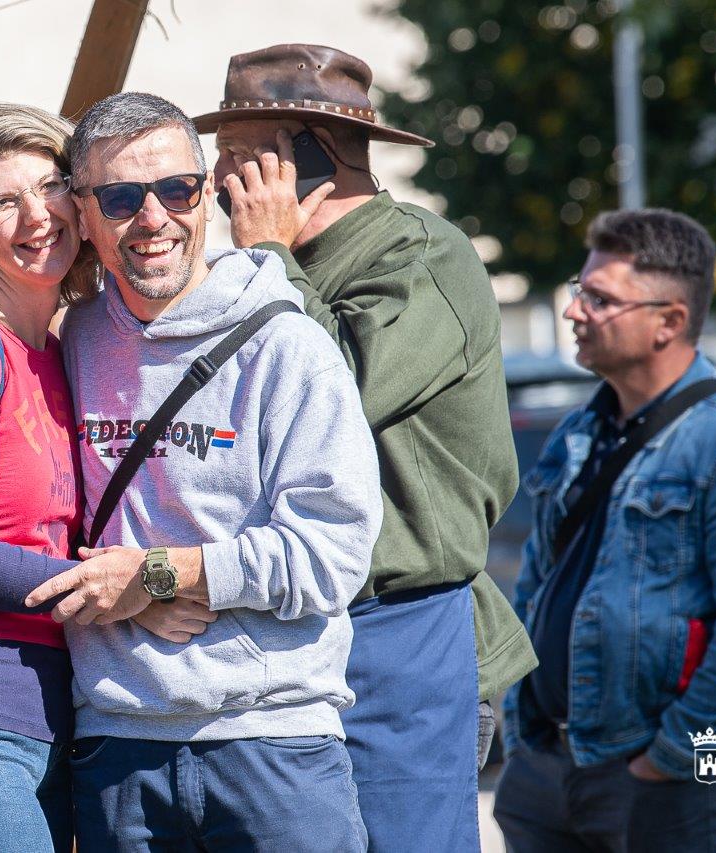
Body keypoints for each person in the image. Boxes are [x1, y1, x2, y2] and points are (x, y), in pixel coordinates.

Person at [195, 43, 537, 851]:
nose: (216, 185)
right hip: (283, 625)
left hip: (400, 628)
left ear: (305, 149)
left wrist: (269, 256)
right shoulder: (258, 267)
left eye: (238, 157)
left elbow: (329, 392)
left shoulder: (423, 255)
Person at [22, 91, 383, 852]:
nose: (152, 217)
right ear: (83, 216)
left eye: (176, 190)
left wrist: (158, 575)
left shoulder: (287, 346)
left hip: (275, 744)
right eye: (121, 197)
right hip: (116, 749)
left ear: (206, 196)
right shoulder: (70, 343)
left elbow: (333, 555)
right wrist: (128, 591)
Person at [0, 103, 212, 853]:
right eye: (4, 201)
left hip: (53, 713)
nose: (37, 214)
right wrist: (112, 596)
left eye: (51, 184)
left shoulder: (60, 350)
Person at [493, 209, 716, 852]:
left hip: (674, 780)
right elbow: (537, 582)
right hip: (552, 771)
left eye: (599, 299)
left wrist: (669, 758)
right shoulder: (579, 432)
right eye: (580, 291)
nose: (574, 312)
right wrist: (525, 732)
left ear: (669, 321)